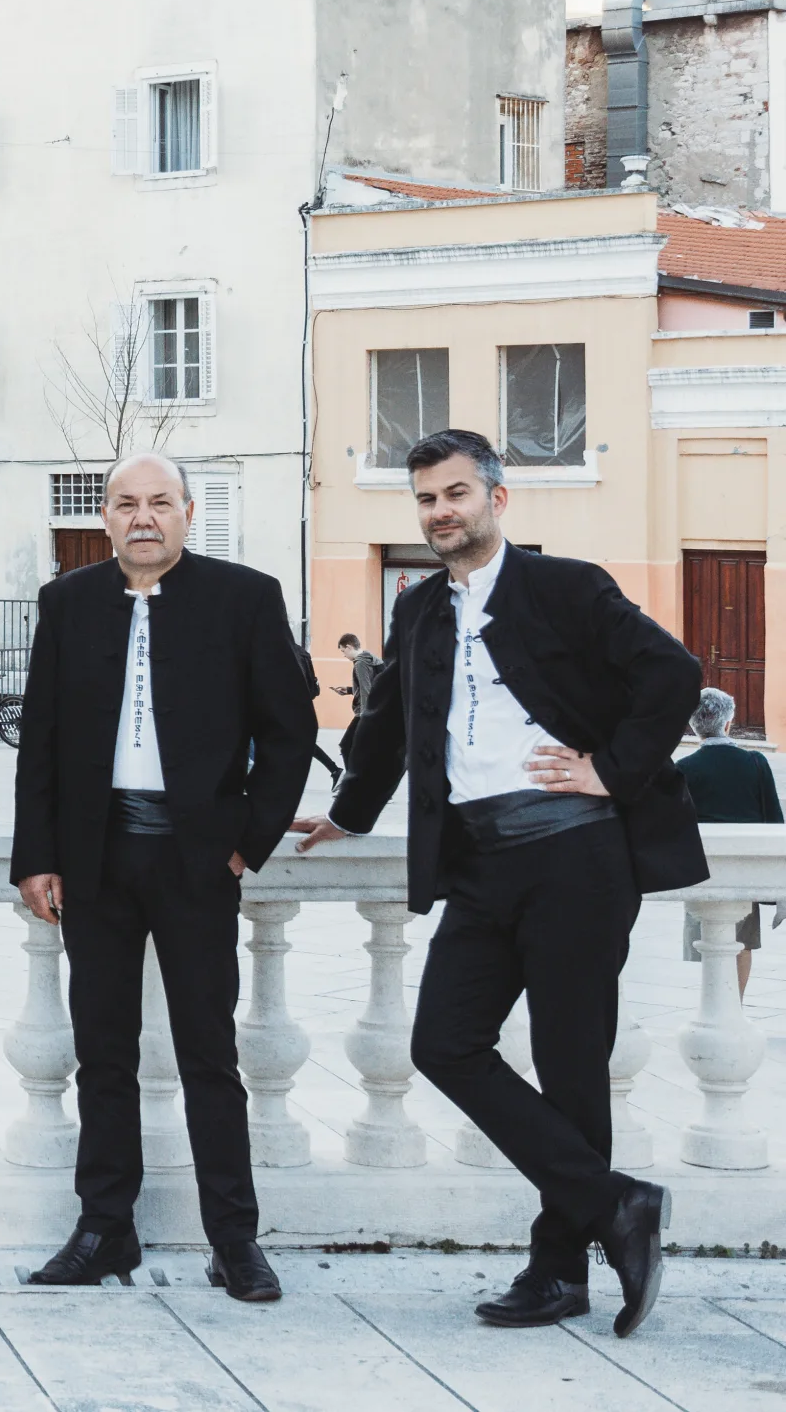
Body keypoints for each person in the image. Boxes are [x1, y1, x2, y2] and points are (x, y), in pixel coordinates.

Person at [294, 428, 701, 1338]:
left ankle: (559, 1271)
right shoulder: (418, 611)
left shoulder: (567, 586)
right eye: (425, 499)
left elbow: (673, 672)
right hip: (479, 863)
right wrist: (349, 813)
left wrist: (610, 768)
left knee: (570, 1065)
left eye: (455, 493)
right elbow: (387, 721)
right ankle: (617, 1203)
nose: (440, 512)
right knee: (443, 1042)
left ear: (496, 498)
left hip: (576, 857)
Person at [10, 455, 313, 1300]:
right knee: (102, 1053)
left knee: (209, 1054)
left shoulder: (245, 597)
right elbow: (41, 735)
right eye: (125, 504)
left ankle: (235, 1239)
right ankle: (105, 1227)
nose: (142, 517)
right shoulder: (67, 602)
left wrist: (247, 840)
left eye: (159, 502)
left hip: (196, 860)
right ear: (105, 516)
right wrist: (36, 855)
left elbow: (289, 731)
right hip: (95, 858)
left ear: (187, 511)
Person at [676, 686, 780, 994]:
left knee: (707, 940)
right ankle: (736, 1005)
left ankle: (716, 1002)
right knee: (741, 943)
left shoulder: (684, 768)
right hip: (743, 867)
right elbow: (774, 819)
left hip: (701, 869)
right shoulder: (755, 763)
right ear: (728, 722)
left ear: (694, 726)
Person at [338, 632, 385, 715]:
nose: (344, 655)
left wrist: (365, 715)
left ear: (349, 647)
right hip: (378, 707)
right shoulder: (371, 659)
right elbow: (372, 685)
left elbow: (365, 690)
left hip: (366, 711)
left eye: (343, 651)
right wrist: (349, 690)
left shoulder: (360, 663)